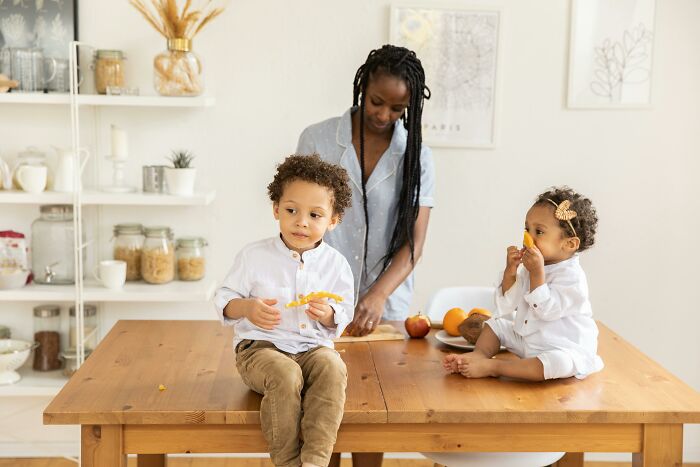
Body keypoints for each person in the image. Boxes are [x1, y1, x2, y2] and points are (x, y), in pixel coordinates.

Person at [297, 43, 433, 467]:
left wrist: (376, 296)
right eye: (377, 102)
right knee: (320, 406)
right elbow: (297, 222)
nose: (383, 115)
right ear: (362, 88)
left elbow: (414, 245)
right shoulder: (317, 138)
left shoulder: (417, 156)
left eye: (397, 108)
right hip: (318, 295)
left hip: (386, 301)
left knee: (374, 408)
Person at [214, 154, 354, 467]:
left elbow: (344, 313)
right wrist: (247, 307)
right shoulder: (254, 256)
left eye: (315, 215)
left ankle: (316, 461)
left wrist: (329, 314)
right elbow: (224, 298)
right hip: (259, 350)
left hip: (312, 349)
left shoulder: (337, 265)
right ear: (276, 209)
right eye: (291, 210)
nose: (301, 221)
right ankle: (288, 462)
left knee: (333, 368)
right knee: (286, 373)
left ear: (333, 220)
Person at [444, 186, 604, 381]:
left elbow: (547, 311)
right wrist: (510, 272)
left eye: (539, 231)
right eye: (527, 229)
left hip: (561, 348)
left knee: (557, 364)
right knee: (496, 324)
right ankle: (478, 356)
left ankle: (495, 367)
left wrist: (537, 273)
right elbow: (507, 305)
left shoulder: (573, 278)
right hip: (530, 341)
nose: (528, 237)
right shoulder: (533, 265)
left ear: (569, 244)